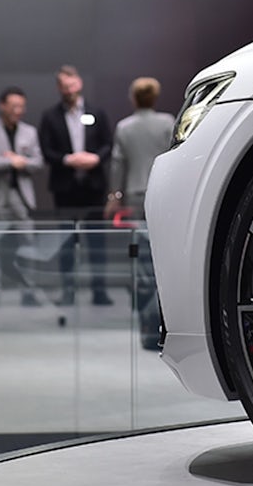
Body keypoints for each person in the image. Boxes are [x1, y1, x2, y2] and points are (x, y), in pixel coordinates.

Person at [103, 78, 174, 348]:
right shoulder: (167, 122)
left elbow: (117, 165)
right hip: (162, 195)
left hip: (133, 196)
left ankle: (144, 322)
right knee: (161, 258)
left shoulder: (124, 127)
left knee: (141, 260)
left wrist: (113, 196)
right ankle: (161, 321)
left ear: (133, 98)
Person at [38, 65, 114, 306]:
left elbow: (108, 144)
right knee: (66, 242)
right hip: (65, 187)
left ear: (79, 83)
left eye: (71, 84)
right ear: (59, 88)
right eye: (63, 85)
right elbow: (46, 149)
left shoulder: (97, 113)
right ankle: (68, 291)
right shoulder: (50, 116)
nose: (68, 89)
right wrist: (68, 159)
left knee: (97, 242)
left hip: (93, 186)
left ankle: (99, 291)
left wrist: (95, 158)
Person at [0, 86, 45, 307]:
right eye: (14, 106)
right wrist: (9, 161)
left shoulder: (29, 132)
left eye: (21, 106)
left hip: (21, 197)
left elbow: (38, 162)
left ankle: (28, 290)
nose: (18, 110)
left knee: (27, 243)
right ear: (2, 105)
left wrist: (19, 161)